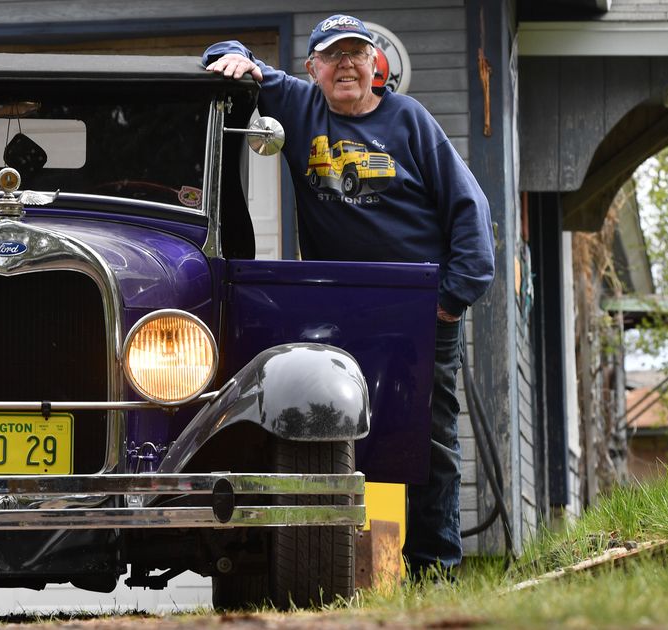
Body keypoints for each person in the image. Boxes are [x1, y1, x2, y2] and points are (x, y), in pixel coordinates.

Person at [204, 14, 495, 579]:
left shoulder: (410, 121)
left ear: (374, 66)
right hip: (337, 306)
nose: (346, 65)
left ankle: (435, 569)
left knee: (428, 439)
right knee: (325, 424)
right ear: (313, 69)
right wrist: (234, 54)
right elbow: (225, 52)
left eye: (357, 54)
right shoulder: (297, 105)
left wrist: (451, 298)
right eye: (333, 56)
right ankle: (326, 564)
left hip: (417, 306)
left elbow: (471, 210)